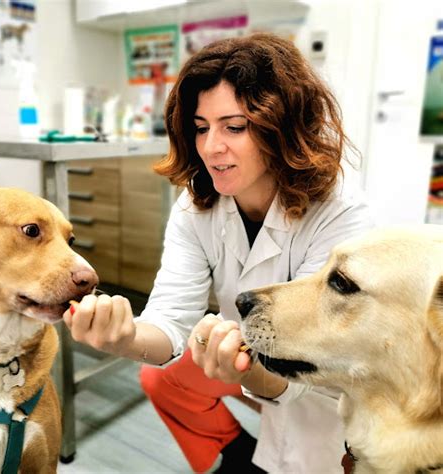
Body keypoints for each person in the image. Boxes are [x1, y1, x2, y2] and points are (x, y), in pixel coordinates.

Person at [64, 33, 373, 473]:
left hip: (320, 383)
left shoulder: (340, 211)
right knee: (159, 376)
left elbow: (303, 369)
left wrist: (245, 370)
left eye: (235, 127)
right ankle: (236, 459)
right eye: (201, 127)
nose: (211, 147)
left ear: (280, 126)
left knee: (308, 445)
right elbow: (169, 323)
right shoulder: (197, 205)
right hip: (242, 357)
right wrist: (124, 337)